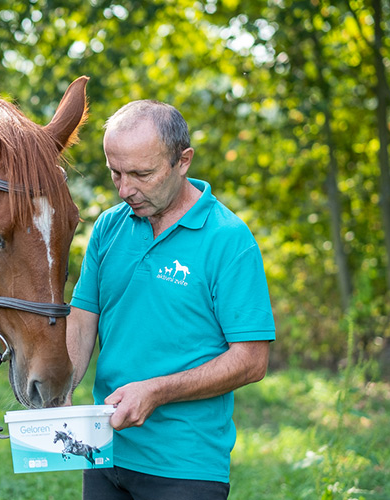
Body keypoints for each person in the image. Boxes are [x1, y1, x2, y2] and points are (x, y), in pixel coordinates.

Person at [67, 99, 276, 500]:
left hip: (186, 466)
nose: (125, 189)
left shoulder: (228, 239)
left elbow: (252, 360)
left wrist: (157, 390)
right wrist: (60, 391)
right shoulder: (109, 227)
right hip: (103, 451)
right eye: (116, 172)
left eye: (142, 174)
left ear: (183, 161)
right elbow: (81, 321)